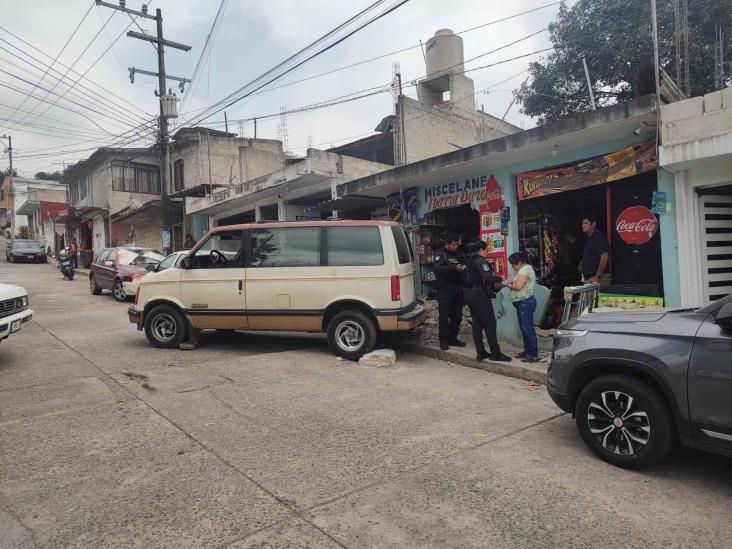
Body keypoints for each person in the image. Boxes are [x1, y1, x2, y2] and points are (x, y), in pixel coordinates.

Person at [462, 240, 511, 362]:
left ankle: (481, 352)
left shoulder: (468, 260)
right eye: (486, 250)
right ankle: (496, 353)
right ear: (481, 250)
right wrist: (500, 278)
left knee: (477, 323)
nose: (487, 252)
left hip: (469, 294)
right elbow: (487, 277)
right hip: (479, 295)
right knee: (490, 324)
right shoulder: (480, 261)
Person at [432, 233, 467, 351]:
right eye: (453, 244)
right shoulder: (440, 254)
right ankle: (444, 341)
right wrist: (454, 268)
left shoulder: (458, 254)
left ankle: (453, 338)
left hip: (457, 289)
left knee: (457, 316)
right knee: (444, 317)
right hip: (444, 289)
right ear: (447, 244)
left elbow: (464, 266)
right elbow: (437, 269)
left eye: (457, 244)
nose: (455, 246)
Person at [506, 252, 539, 363]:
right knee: (524, 328)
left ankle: (533, 354)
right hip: (522, 302)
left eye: (513, 265)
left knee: (527, 328)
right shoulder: (523, 270)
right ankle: (528, 351)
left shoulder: (524, 269)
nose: (512, 267)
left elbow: (518, 286)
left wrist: (508, 284)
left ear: (519, 263)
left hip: (525, 302)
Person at [580, 215, 610, 286]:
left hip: (598, 279)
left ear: (593, 224)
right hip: (589, 279)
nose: (583, 226)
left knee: (595, 297)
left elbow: (604, 257)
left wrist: (597, 276)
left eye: (585, 223)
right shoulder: (588, 239)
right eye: (582, 223)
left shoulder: (599, 238)